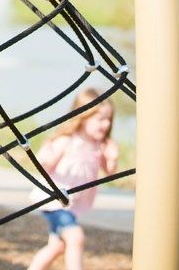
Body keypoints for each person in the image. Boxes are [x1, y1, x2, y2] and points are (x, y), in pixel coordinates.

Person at [26, 88, 119, 270]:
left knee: (57, 247)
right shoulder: (67, 141)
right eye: (100, 119)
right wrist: (52, 157)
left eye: (109, 119)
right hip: (55, 201)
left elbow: (110, 174)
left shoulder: (99, 146)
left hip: (72, 205)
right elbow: (43, 167)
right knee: (75, 238)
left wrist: (113, 158)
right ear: (83, 116)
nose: (106, 125)